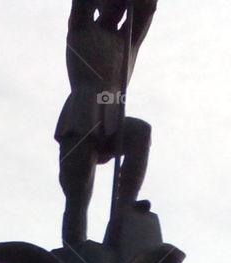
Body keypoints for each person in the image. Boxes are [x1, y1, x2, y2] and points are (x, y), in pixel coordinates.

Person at [55, 0, 158, 245]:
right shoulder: (81, 29)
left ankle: (124, 208)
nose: (118, 6)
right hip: (82, 114)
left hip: (113, 117)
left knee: (139, 132)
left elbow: (147, 8)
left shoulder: (128, 41)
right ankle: (75, 247)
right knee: (78, 191)